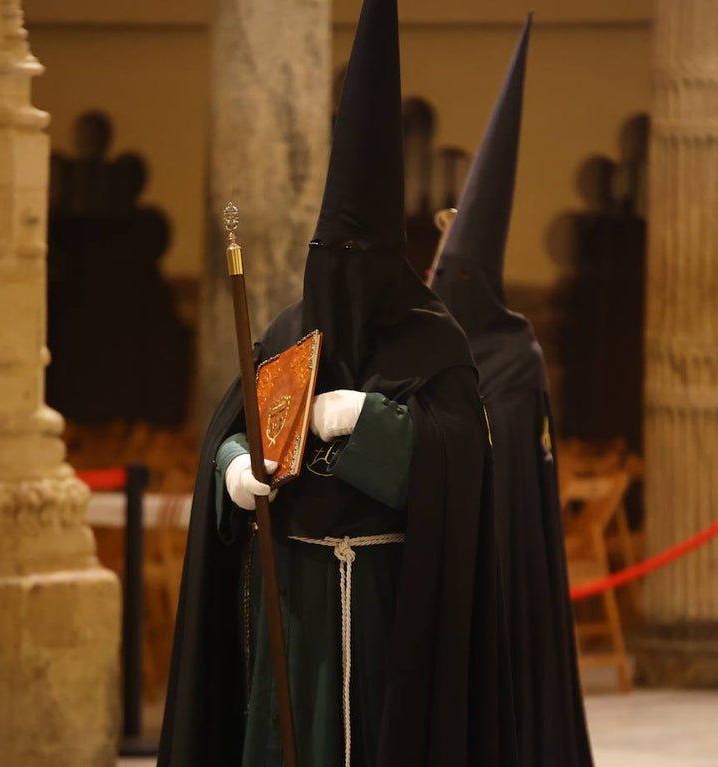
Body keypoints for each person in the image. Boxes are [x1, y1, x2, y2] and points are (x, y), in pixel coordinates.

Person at [158, 1, 513, 765]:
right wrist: (233, 476)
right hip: (294, 606)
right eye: (332, 252)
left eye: (361, 253)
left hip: (393, 610)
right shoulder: (287, 334)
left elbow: (464, 458)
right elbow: (231, 431)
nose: (344, 271)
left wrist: (373, 420)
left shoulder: (433, 341)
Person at [430, 16, 595, 767]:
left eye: (458, 279)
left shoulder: (517, 353)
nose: (448, 291)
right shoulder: (435, 346)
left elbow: (516, 469)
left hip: (504, 557)